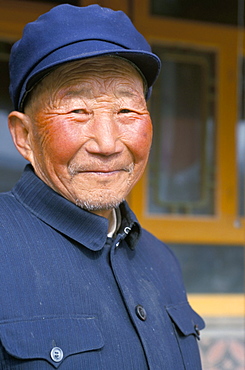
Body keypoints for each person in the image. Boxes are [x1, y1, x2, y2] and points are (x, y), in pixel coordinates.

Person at [0, 4, 205, 369]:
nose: (108, 143)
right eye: (78, 111)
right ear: (25, 135)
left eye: (127, 112)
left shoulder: (161, 260)